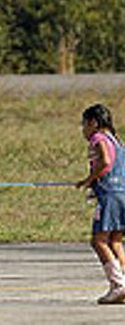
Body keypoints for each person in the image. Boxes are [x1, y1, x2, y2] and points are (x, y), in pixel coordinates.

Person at [75, 104, 125, 304]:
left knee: (99, 241)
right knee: (115, 242)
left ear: (93, 123)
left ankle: (118, 285)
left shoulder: (98, 139)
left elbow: (105, 162)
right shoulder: (118, 141)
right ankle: (122, 283)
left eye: (84, 124)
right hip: (122, 194)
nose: (83, 130)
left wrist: (89, 180)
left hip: (110, 196)